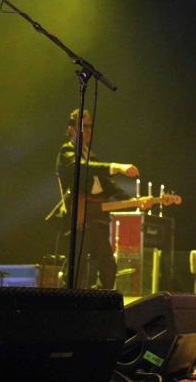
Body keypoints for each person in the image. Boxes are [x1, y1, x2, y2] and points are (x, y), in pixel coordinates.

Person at [56, 109, 139, 289]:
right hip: (78, 220)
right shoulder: (67, 152)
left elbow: (110, 186)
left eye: (90, 127)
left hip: (97, 219)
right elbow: (83, 167)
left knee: (108, 266)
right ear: (71, 129)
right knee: (76, 270)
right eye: (83, 126)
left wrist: (136, 202)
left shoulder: (91, 156)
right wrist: (116, 167)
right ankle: (67, 302)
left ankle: (100, 301)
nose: (88, 130)